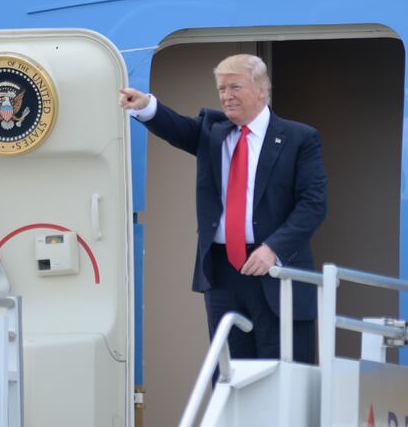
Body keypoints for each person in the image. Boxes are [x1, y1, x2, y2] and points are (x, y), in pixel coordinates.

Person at [119, 54, 326, 364]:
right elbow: (178, 129)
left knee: (282, 376)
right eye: (221, 89)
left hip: (275, 270)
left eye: (235, 87)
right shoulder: (214, 132)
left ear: (261, 89)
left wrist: (273, 249)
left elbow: (313, 204)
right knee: (230, 377)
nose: (226, 96)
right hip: (223, 273)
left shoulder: (299, 138)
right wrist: (146, 105)